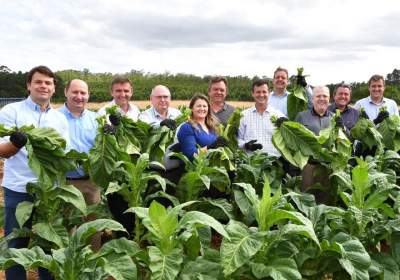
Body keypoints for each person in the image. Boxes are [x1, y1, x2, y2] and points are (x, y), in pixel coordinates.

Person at [0, 66, 69, 280]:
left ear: (54, 88)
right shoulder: (11, 111)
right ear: (28, 85)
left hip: (48, 192)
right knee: (17, 246)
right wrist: (16, 143)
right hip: (19, 189)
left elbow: (63, 156)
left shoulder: (59, 119)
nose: (43, 86)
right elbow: (2, 151)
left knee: (49, 245)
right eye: (38, 82)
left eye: (48, 83)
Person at [58, 79, 101, 251]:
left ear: (88, 95)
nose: (79, 96)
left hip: (91, 182)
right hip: (65, 182)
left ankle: (92, 264)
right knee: (67, 225)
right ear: (66, 92)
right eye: (75, 92)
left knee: (93, 225)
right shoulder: (54, 117)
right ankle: (70, 265)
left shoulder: (96, 119)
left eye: (83, 93)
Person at [295, 86, 333, 204]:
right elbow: (294, 142)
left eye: (325, 96)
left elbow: (345, 140)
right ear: (312, 98)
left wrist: (344, 128)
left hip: (327, 169)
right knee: (305, 200)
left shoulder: (334, 117)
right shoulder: (302, 116)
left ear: (329, 98)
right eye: (318, 96)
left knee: (324, 201)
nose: (322, 99)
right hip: (308, 167)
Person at [238, 79, 285, 156]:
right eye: (258, 92)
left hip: (274, 163)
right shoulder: (243, 115)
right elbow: (238, 138)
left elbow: (285, 140)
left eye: (264, 92)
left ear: (269, 93)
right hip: (250, 163)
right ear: (252, 94)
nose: (261, 95)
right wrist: (246, 145)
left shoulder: (279, 115)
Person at [177, 94, 227, 161]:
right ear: (192, 108)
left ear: (208, 108)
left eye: (204, 106)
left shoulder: (212, 126)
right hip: (196, 169)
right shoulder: (186, 128)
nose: (202, 109)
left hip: (214, 166)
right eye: (199, 106)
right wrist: (210, 147)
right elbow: (191, 155)